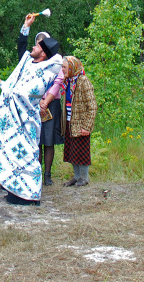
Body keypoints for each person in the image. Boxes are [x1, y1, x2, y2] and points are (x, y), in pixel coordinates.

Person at [0, 12, 64, 205]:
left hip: (27, 123)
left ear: (43, 53)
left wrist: (1, 84)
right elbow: (22, 48)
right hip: (14, 120)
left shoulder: (45, 74)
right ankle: (15, 191)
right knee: (13, 155)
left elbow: (26, 94)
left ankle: (30, 195)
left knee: (28, 156)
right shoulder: (29, 62)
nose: (33, 46)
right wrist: (26, 26)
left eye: (37, 46)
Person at [59, 55, 96, 187]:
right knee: (72, 150)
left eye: (64, 67)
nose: (62, 69)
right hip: (70, 121)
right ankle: (76, 176)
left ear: (72, 67)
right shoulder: (68, 81)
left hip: (81, 122)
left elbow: (92, 106)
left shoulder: (83, 81)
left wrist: (87, 126)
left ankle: (84, 178)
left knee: (82, 150)